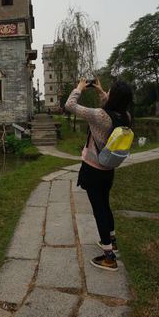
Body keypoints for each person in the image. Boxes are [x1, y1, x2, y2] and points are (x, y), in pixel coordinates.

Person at [65, 78, 133, 272]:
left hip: (93, 170)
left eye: (110, 92)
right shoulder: (125, 116)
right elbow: (110, 106)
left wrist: (78, 88)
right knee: (105, 204)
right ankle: (112, 240)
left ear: (114, 97)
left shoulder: (99, 116)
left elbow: (69, 105)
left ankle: (108, 257)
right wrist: (100, 91)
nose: (107, 94)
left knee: (99, 210)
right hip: (109, 171)